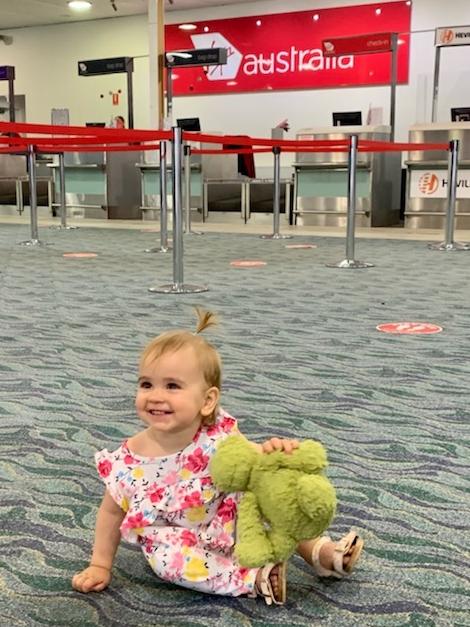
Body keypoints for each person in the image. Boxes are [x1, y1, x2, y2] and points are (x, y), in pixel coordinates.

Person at [71, 308, 363, 605]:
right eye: (146, 384)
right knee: (164, 561)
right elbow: (110, 512)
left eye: (172, 386)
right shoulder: (127, 461)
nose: (155, 395)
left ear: (208, 400)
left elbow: (255, 461)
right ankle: (253, 579)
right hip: (182, 539)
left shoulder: (217, 434)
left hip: (231, 520)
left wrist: (275, 450)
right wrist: (100, 564)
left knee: (270, 493)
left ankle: (318, 552)